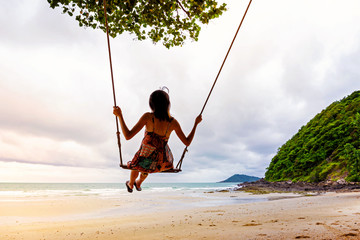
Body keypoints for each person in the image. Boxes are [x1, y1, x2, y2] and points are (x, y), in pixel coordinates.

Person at [113, 88, 202, 193]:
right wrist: (196, 124)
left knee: (137, 163)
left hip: (145, 157)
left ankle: (131, 184)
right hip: (162, 162)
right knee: (146, 163)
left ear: (151, 104)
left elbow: (128, 136)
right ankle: (139, 183)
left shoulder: (148, 117)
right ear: (168, 104)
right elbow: (187, 142)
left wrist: (120, 116)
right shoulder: (173, 122)